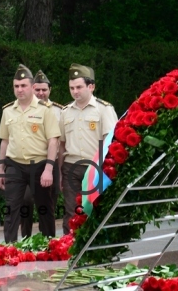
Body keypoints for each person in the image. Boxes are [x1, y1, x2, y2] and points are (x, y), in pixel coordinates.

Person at [0, 65, 60, 243]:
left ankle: (49, 244)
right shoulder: (8, 110)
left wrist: (48, 169)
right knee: (11, 208)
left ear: (32, 87)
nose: (19, 89)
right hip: (14, 164)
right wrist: (1, 167)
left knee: (44, 207)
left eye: (23, 85)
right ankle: (10, 248)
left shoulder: (45, 110)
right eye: (16, 86)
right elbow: (4, 141)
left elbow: (53, 141)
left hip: (39, 165)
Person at [58, 64, 117, 235]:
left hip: (95, 168)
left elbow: (111, 141)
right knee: (71, 211)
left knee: (94, 211)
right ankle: (68, 248)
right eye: (71, 88)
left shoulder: (104, 109)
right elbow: (62, 144)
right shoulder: (65, 112)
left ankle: (94, 248)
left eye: (79, 87)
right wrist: (60, 172)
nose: (75, 91)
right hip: (71, 166)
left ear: (91, 87)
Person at [21, 70, 65, 238]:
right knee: (25, 201)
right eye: (37, 90)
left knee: (48, 205)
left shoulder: (60, 111)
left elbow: (61, 144)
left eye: (44, 90)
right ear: (32, 89)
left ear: (49, 90)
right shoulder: (22, 108)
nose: (40, 93)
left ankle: (46, 240)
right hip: (27, 164)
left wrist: (60, 170)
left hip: (50, 163)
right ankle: (25, 238)